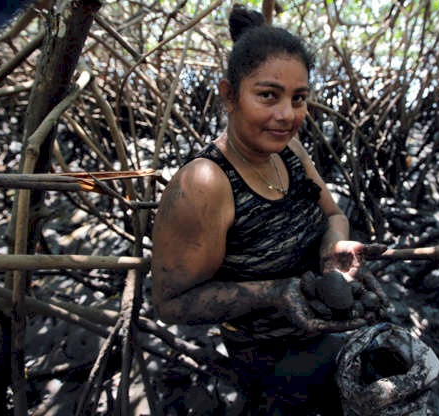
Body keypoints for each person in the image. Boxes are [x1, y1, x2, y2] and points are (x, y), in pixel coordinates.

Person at [151, 4, 387, 415]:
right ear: (229, 95)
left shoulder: (290, 150)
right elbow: (171, 304)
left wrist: (335, 252)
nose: (287, 115)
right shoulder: (204, 183)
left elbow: (333, 214)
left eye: (299, 98)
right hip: (268, 358)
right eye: (267, 95)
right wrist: (278, 294)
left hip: (324, 322)